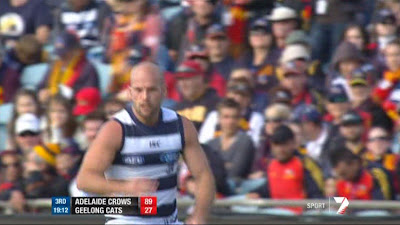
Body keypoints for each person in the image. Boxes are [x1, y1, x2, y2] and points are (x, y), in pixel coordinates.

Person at [77, 62, 215, 224]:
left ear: (164, 91)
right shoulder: (115, 130)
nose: (145, 97)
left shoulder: (181, 126)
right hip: (127, 219)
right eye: (139, 90)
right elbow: (85, 179)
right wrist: (126, 187)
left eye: (151, 90)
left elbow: (204, 175)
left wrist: (199, 216)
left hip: (169, 220)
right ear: (130, 92)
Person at [247, 125, 324, 214]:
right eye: (276, 145)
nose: (280, 149)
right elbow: (268, 188)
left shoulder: (303, 164)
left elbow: (318, 199)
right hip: (276, 215)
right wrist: (256, 193)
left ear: (293, 144)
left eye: (284, 144)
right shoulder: (272, 165)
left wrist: (307, 207)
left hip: (298, 218)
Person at [38, 31, 99, 104]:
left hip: (73, 107)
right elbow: (41, 85)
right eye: (59, 54)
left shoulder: (87, 69)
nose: (61, 57)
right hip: (51, 106)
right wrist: (42, 93)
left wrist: (64, 94)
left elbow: (90, 95)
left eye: (64, 54)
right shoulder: (54, 65)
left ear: (76, 51)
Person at [199, 79, 264, 146]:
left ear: (249, 99)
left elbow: (255, 143)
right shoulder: (214, 115)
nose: (238, 98)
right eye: (235, 94)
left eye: (243, 95)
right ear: (228, 95)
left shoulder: (256, 117)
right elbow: (203, 141)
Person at [205, 98, 255, 180]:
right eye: (226, 117)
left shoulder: (245, 141)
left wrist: (216, 167)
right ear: (218, 119)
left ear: (240, 119)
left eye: (234, 117)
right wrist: (226, 165)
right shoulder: (211, 144)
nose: (230, 121)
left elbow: (235, 172)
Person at [174, 59, 220, 131]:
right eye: (180, 79)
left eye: (187, 79)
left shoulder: (217, 104)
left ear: (201, 79)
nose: (183, 84)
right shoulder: (176, 109)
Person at [236, 17, 280, 93]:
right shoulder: (243, 58)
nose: (259, 35)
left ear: (271, 36)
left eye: (264, 32)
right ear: (249, 37)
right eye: (254, 32)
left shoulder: (279, 58)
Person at [292, 105, 332, 174]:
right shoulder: (305, 144)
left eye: (300, 125)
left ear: (311, 125)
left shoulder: (333, 139)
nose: (298, 128)